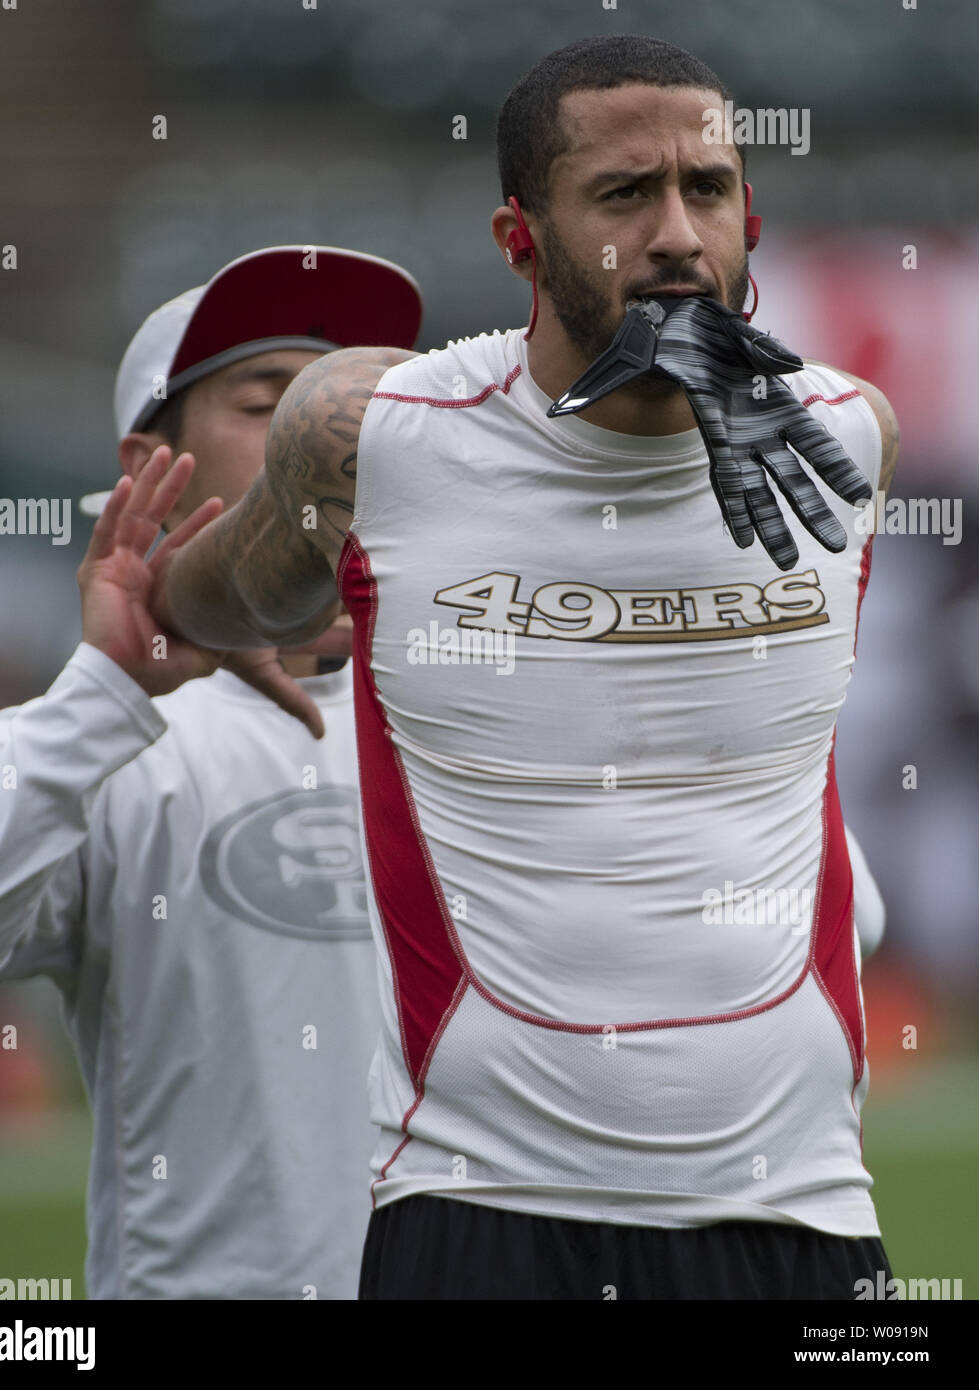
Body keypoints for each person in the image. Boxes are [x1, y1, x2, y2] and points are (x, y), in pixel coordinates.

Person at [143, 37, 899, 1300]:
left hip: (804, 1212)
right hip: (483, 1211)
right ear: (518, 239)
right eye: (622, 196)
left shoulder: (843, 439)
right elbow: (230, 591)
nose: (675, 234)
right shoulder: (372, 437)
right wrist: (161, 603)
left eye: (707, 190)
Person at [0, 246, 422, 1299]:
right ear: (147, 466)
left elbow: (834, 926)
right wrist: (104, 690)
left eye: (351, 408)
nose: (327, 445)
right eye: (273, 406)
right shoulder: (106, 741)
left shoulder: (482, 709)